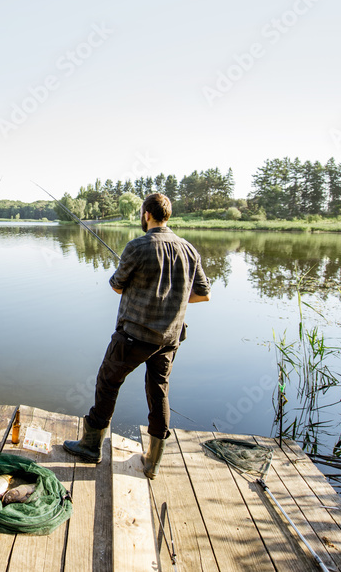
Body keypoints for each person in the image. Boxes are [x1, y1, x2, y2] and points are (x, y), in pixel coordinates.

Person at [64, 193, 211, 479]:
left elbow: (117, 286)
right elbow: (203, 295)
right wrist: (174, 299)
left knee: (108, 382)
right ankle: (153, 461)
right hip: (169, 339)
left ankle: (91, 446)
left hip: (133, 336)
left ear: (146, 215)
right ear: (167, 216)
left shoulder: (137, 246)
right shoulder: (189, 249)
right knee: (159, 391)